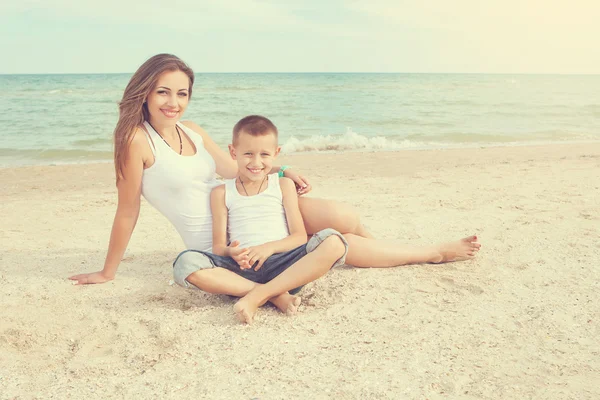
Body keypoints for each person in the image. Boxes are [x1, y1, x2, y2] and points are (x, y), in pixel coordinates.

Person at [69, 53, 480, 287]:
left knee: (344, 217)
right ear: (144, 92)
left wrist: (280, 168)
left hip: (248, 201)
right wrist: (108, 271)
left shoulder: (191, 130)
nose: (173, 102)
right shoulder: (134, 141)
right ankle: (429, 253)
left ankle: (381, 254)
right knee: (337, 234)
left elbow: (233, 168)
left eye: (182, 93)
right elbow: (127, 210)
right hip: (222, 232)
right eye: (163, 92)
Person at [174, 115, 348, 324]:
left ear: (276, 153)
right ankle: (274, 295)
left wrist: (269, 248)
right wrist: (233, 252)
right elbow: (219, 247)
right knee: (185, 263)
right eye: (248, 154)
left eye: (264, 154)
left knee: (334, 242)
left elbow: (299, 237)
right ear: (233, 152)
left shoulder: (282, 185)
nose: (256, 162)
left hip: (284, 266)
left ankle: (257, 296)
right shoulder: (221, 192)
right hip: (241, 272)